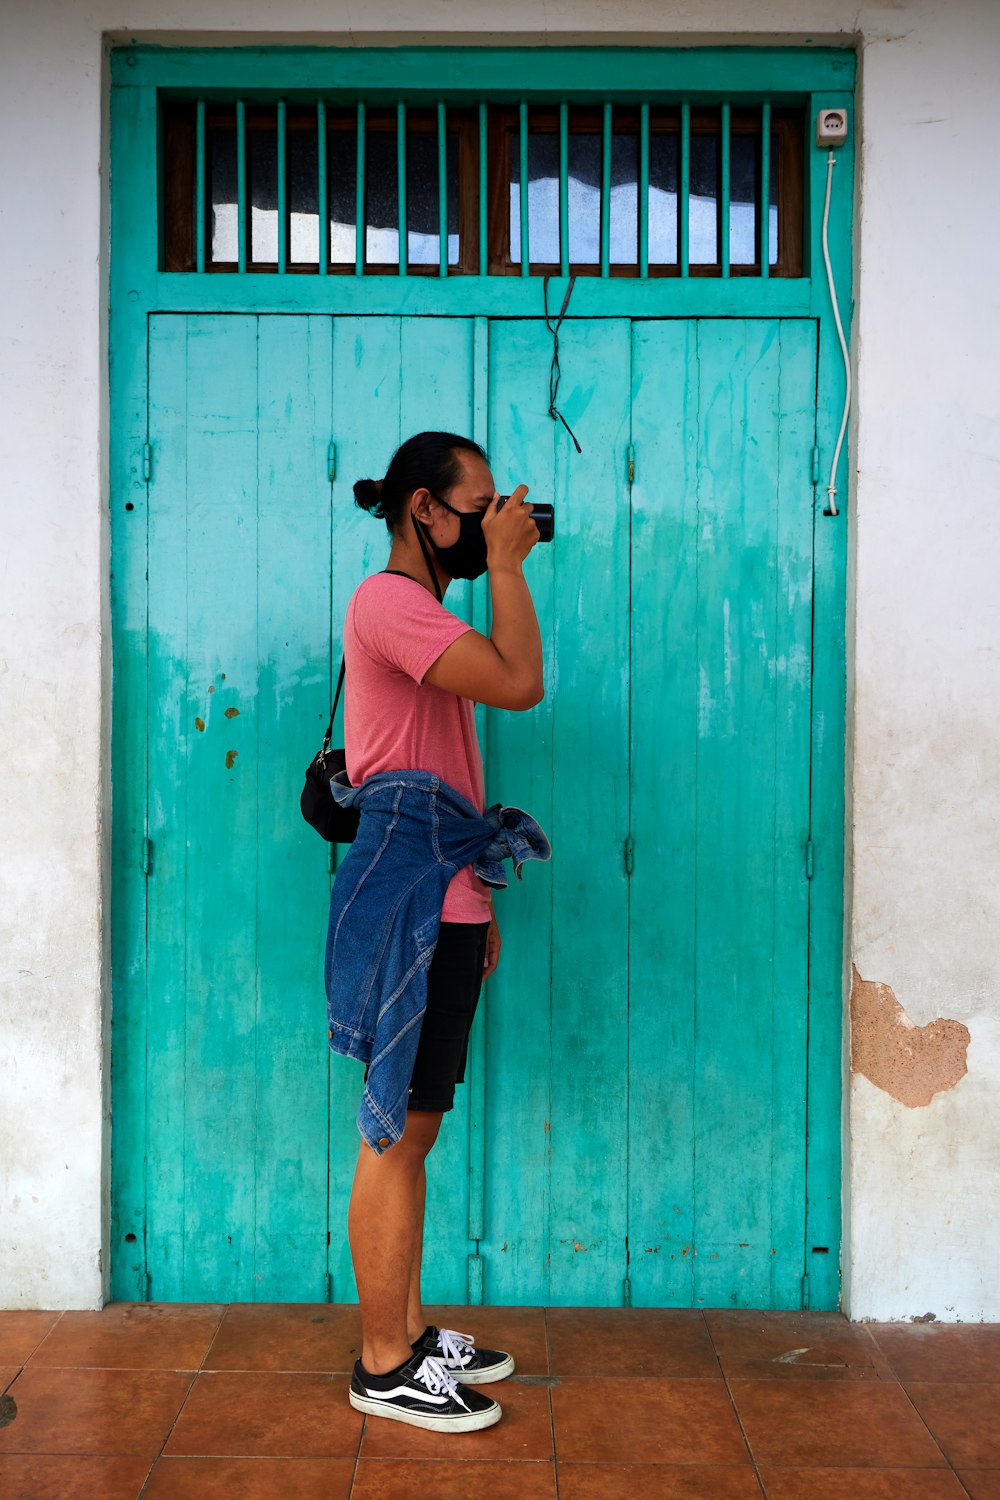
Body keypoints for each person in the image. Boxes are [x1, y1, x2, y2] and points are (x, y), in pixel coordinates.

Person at [338, 431, 544, 1432]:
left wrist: (482, 894)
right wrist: (506, 566)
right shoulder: (388, 603)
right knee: (394, 1132)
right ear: (426, 508)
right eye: (480, 504)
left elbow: (449, 759)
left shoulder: (422, 611)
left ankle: (408, 1334)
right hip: (411, 892)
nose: (495, 518)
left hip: (445, 884)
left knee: (416, 1128)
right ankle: (383, 1365)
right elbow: (517, 682)